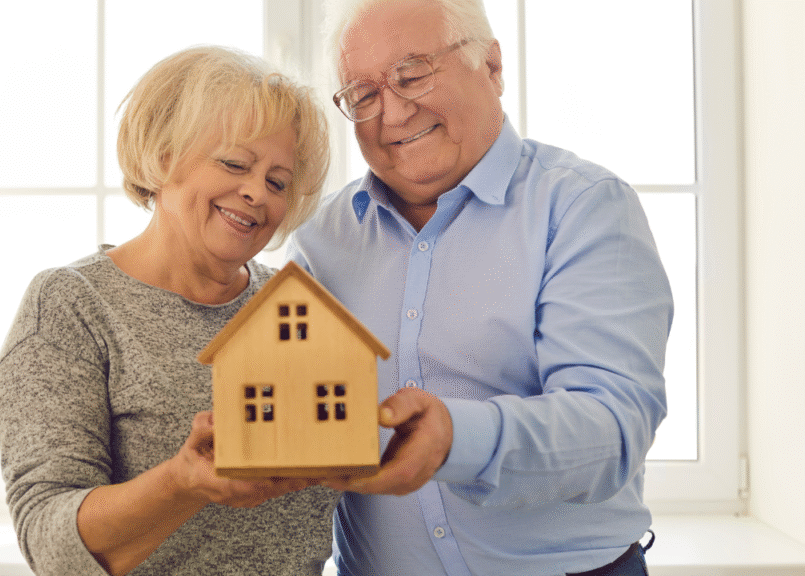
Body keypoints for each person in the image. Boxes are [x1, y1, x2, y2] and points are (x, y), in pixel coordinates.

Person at [288, 1, 673, 575]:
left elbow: (612, 426)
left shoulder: (581, 207)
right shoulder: (321, 240)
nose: (392, 112)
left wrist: (456, 439)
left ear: (490, 66)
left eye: (412, 74)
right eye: (363, 95)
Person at [0, 45, 337, 576]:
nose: (255, 194)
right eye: (235, 164)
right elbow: (50, 544)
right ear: (164, 154)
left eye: (277, 182)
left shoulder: (294, 309)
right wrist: (181, 481)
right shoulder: (72, 305)